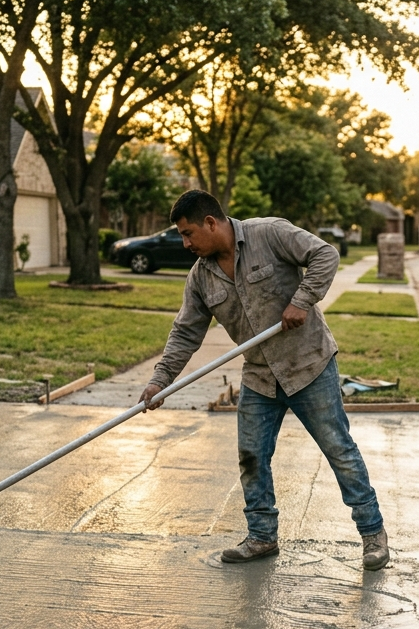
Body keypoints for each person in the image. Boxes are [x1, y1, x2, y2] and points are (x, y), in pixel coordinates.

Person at [139, 190, 389, 570]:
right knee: (252, 456)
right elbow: (185, 333)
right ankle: (261, 537)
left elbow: (326, 255)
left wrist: (302, 300)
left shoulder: (269, 233)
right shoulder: (201, 277)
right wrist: (160, 381)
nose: (186, 243)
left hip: (309, 366)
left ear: (211, 222)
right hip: (259, 376)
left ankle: (373, 535)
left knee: (339, 450)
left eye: (189, 233)